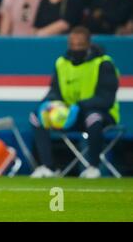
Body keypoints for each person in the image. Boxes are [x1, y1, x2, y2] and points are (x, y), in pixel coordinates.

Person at [30, 27, 120, 179]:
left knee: (93, 117)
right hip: (69, 115)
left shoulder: (103, 64)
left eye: (80, 45)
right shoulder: (61, 63)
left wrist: (78, 106)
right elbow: (55, 90)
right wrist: (48, 104)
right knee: (37, 116)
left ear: (88, 44)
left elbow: (106, 99)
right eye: (73, 45)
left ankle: (93, 167)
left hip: (100, 114)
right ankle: (49, 167)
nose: (76, 48)